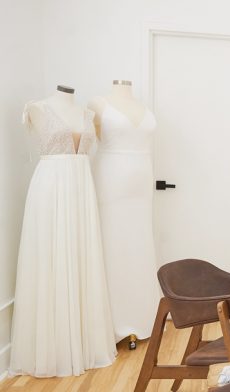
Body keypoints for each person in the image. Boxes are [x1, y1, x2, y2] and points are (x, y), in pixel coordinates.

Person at [11, 85, 117, 377]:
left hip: (82, 192)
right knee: (51, 260)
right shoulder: (37, 108)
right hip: (50, 190)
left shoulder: (87, 113)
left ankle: (82, 344)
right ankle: (51, 350)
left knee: (81, 260)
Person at [88, 80, 160, 349]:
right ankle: (112, 324)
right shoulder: (98, 103)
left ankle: (140, 318)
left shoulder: (142, 106)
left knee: (138, 246)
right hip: (111, 177)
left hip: (142, 182)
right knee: (113, 245)